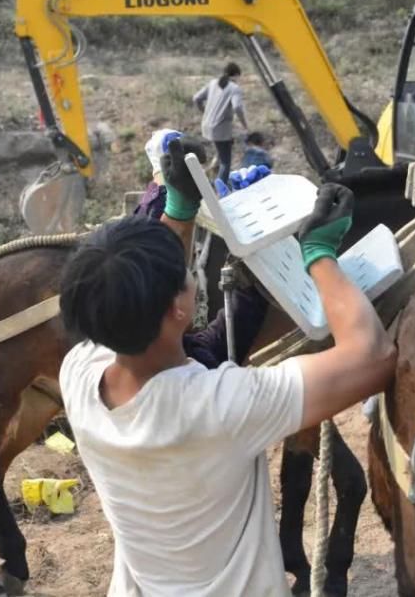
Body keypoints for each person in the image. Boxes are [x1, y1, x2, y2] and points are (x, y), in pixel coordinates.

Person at [59, 137, 397, 596]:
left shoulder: (79, 375)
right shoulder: (221, 406)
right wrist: (319, 254)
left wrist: (178, 209)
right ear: (179, 308)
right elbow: (372, 357)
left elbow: (143, 304)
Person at [193, 62, 249, 184]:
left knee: (220, 153)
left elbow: (196, 98)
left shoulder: (213, 83)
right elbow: (237, 107)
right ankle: (220, 190)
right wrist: (245, 125)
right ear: (236, 75)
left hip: (207, 127)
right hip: (220, 129)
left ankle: (211, 179)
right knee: (226, 162)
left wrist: (205, 112)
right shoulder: (234, 88)